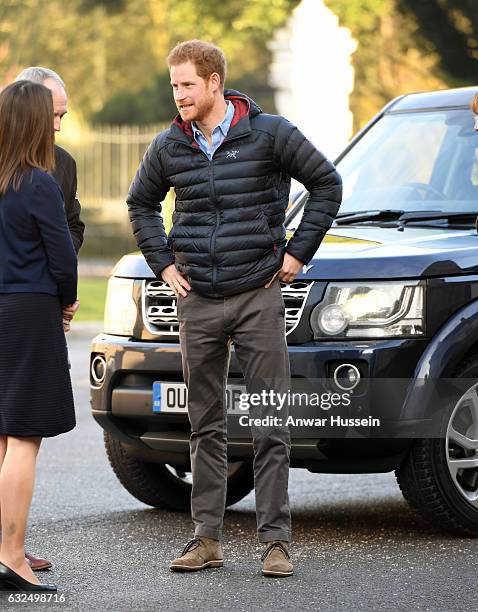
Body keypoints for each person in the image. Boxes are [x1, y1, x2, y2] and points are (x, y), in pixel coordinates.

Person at [127, 39, 342, 577]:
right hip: (197, 299)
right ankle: (207, 538)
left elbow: (326, 184)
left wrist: (297, 254)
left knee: (270, 418)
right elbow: (141, 203)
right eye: (173, 85)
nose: (178, 95)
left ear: (215, 82)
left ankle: (275, 542)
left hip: (256, 294)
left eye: (187, 85)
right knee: (204, 424)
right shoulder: (169, 146)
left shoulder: (271, 134)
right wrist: (163, 264)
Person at [0, 81, 78, 592]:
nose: (56, 126)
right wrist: (66, 299)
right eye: (49, 117)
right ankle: (11, 556)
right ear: (31, 121)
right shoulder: (39, 182)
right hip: (29, 312)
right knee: (25, 437)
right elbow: (63, 256)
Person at [15, 67, 85, 254]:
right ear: (26, 106)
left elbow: (74, 226)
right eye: (52, 114)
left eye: (61, 116)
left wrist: (57, 253)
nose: (58, 126)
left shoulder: (65, 163)